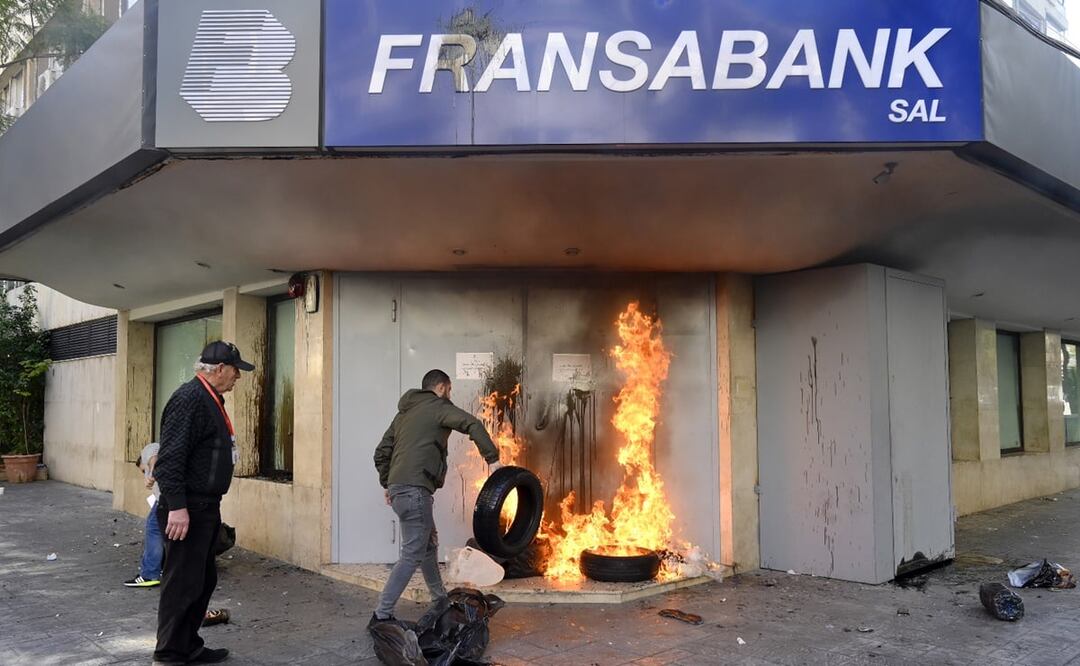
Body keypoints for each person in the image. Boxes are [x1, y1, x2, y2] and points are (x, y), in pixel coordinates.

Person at [151, 341, 254, 665]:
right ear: (219, 369)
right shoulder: (190, 398)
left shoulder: (210, 400)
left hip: (205, 506)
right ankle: (168, 653)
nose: (238, 377)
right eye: (236, 370)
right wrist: (178, 507)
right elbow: (168, 461)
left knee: (202, 580)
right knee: (182, 583)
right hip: (188, 508)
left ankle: (188, 645)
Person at [372, 369, 503, 623]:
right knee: (411, 554)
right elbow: (472, 424)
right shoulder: (437, 407)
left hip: (402, 491)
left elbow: (381, 452)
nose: (449, 394)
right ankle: (382, 613)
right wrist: (493, 461)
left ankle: (439, 598)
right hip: (415, 492)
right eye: (450, 390)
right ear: (442, 388)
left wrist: (389, 483)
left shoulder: (404, 414)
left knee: (428, 546)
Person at [124, 442, 163, 587]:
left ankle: (149, 574)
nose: (144, 474)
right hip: (167, 498)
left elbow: (154, 454)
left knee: (153, 530)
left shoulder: (147, 451)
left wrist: (152, 471)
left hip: (164, 499)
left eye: (142, 471)